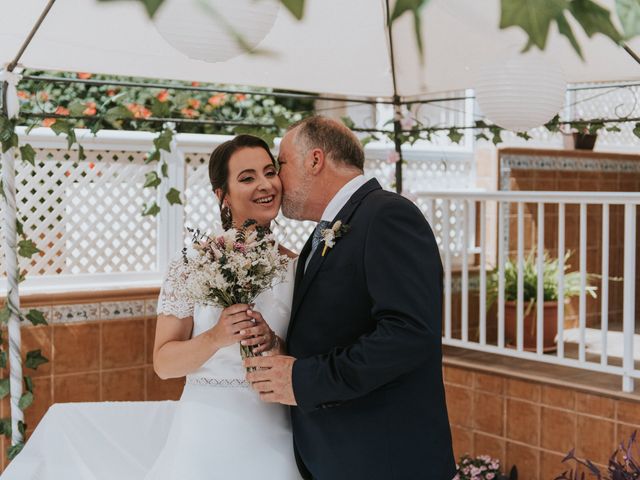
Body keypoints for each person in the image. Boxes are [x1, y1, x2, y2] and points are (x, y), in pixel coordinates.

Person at [1, 134, 302, 480]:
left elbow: (307, 351)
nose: (265, 184)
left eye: (269, 172)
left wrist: (275, 345)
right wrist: (216, 337)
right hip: (207, 430)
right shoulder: (191, 265)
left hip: (276, 423)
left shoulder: (298, 268)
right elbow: (164, 363)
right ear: (223, 195)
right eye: (247, 177)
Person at [244, 116, 456, 480]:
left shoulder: (388, 215)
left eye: (281, 163)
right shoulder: (324, 232)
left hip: (385, 459)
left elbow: (408, 334)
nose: (278, 179)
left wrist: (303, 379)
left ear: (315, 160)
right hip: (338, 455)